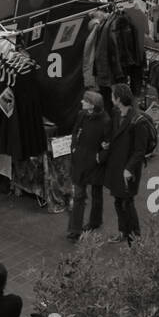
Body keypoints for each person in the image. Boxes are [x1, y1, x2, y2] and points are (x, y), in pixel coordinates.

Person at [98, 84, 152, 244]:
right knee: (118, 201)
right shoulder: (116, 113)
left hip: (128, 170)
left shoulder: (137, 121)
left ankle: (135, 238)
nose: (110, 97)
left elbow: (139, 151)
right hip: (116, 166)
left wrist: (129, 169)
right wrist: (107, 144)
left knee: (127, 203)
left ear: (118, 98)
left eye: (113, 95)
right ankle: (123, 232)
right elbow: (114, 135)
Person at [67, 91, 111, 241]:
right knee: (79, 195)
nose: (81, 102)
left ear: (93, 104)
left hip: (94, 163)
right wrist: (74, 147)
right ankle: (75, 229)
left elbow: (108, 144)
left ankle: (95, 220)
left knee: (96, 193)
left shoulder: (105, 121)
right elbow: (74, 133)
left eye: (85, 101)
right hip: (80, 161)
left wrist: (100, 158)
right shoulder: (82, 115)